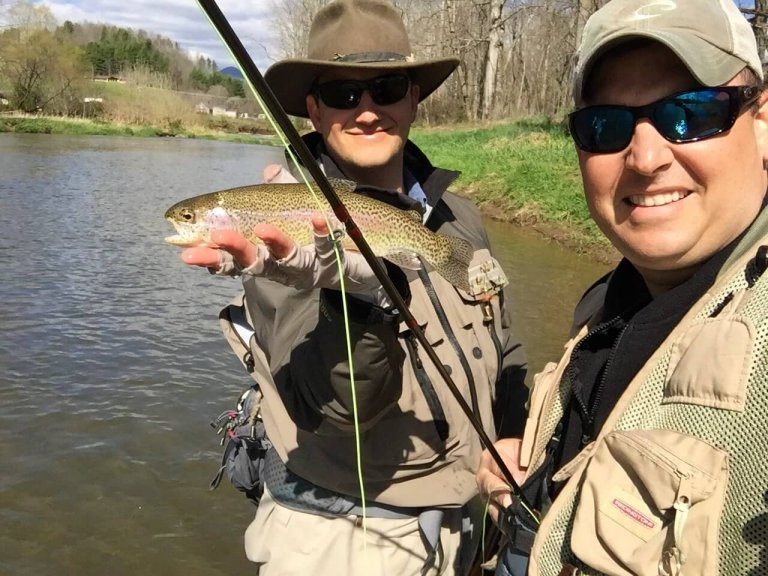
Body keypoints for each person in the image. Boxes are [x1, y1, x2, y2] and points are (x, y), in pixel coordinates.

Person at [181, 0, 527, 574]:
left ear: (414, 97)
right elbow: (338, 409)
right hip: (348, 538)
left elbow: (505, 346)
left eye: (387, 88)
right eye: (343, 94)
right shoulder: (275, 245)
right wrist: (358, 298)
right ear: (313, 110)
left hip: (475, 521)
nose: (367, 111)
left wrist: (514, 441)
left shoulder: (459, 219)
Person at [477, 1, 768, 575]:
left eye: (691, 112)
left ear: (762, 124)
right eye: (605, 126)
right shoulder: (610, 298)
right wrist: (538, 465)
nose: (645, 157)